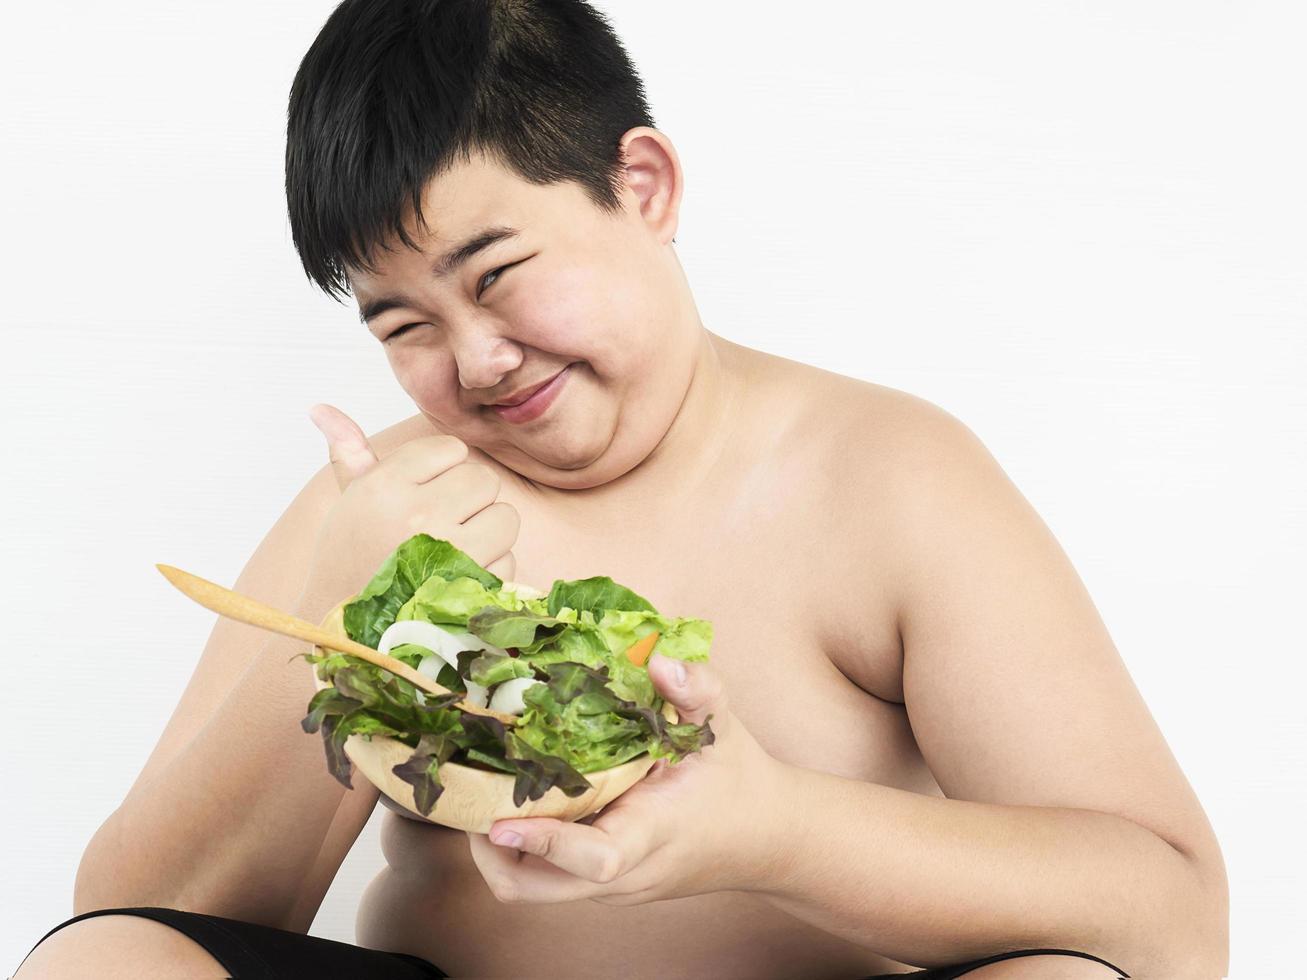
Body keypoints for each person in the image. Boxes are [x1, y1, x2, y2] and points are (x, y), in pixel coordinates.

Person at [17, 1, 1228, 977]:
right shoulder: (391, 506)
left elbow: (1169, 918)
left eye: (494, 275)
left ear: (640, 187)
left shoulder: (889, 475)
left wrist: (775, 830)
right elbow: (138, 916)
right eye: (403, 324)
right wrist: (334, 631)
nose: (475, 358)